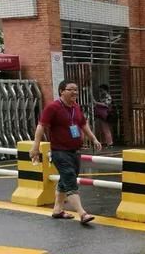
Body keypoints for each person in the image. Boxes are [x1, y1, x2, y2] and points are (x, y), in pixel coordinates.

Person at [30, 80, 101, 224]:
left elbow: (83, 124)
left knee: (65, 179)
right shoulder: (53, 107)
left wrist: (93, 139)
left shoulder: (76, 107)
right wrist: (35, 147)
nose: (75, 92)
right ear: (62, 91)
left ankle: (57, 210)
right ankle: (82, 213)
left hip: (75, 151)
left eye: (76, 89)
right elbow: (41, 126)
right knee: (69, 178)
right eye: (71, 89)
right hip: (59, 151)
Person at [94, 84, 114, 148]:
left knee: (106, 129)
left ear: (105, 90)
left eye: (101, 90)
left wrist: (96, 103)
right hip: (103, 115)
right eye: (100, 90)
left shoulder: (107, 96)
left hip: (106, 114)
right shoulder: (103, 96)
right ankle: (107, 142)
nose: (101, 92)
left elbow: (106, 104)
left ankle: (110, 143)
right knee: (104, 129)